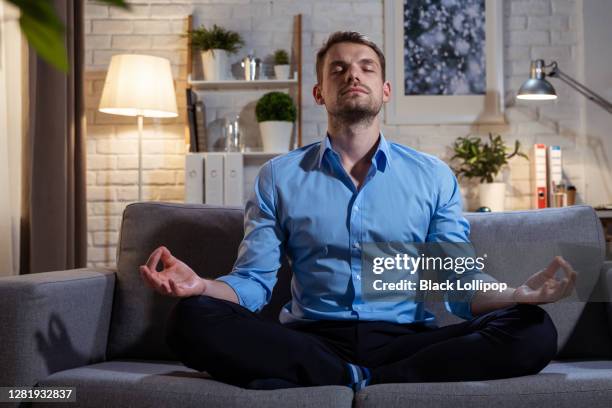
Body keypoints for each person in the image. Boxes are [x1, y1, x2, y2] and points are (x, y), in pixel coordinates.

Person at [139, 31, 576, 391]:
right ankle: (357, 376)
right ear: (319, 92)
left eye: (367, 67)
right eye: (339, 68)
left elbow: (458, 285)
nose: (354, 75)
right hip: (311, 340)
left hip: (406, 342)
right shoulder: (278, 176)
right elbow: (253, 285)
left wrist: (517, 294)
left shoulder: (432, 176)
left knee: (533, 329)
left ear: (385, 90)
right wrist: (199, 285)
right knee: (191, 318)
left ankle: (364, 377)